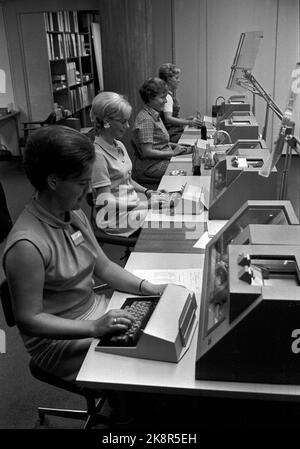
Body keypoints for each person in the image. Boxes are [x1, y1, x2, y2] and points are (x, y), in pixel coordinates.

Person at [2, 125, 167, 389]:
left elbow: (103, 265)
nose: (89, 190)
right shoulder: (26, 245)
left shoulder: (72, 214)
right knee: (153, 364)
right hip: (60, 341)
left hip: (95, 315)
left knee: (159, 334)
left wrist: (149, 289)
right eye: (81, 183)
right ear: (53, 181)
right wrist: (94, 328)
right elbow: (30, 320)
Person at [90, 91, 171, 236]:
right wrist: (146, 205)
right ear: (107, 122)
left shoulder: (119, 145)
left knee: (171, 207)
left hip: (132, 207)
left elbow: (128, 180)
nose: (127, 126)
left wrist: (148, 192)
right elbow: (106, 202)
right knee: (169, 222)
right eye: (123, 121)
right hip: (115, 218)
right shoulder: (98, 155)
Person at [133, 77, 191, 182]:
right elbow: (147, 152)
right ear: (150, 98)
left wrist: (175, 146)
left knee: (192, 160)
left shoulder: (154, 114)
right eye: (162, 97)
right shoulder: (146, 119)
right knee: (188, 170)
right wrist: (173, 153)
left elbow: (160, 143)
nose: (165, 101)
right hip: (151, 165)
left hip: (161, 159)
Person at [158, 63, 202, 143]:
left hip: (174, 132)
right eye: (176, 78)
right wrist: (189, 122)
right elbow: (168, 119)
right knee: (200, 140)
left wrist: (185, 120)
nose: (179, 80)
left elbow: (171, 117)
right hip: (172, 135)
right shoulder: (167, 96)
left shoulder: (168, 94)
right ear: (168, 79)